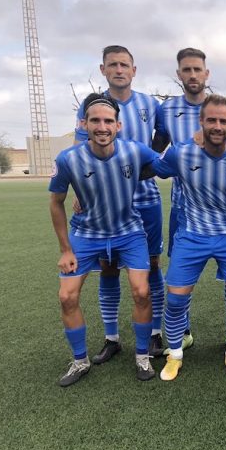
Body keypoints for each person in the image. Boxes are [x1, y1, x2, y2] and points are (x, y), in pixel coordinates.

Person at [50, 93, 159, 386]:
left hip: (129, 232)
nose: (102, 127)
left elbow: (166, 163)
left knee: (141, 292)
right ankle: (80, 361)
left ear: (118, 125)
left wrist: (195, 145)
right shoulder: (68, 159)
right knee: (67, 296)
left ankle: (142, 356)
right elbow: (56, 202)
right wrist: (65, 249)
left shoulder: (134, 151)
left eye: (108, 121)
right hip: (86, 234)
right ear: (84, 124)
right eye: (95, 120)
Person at [151, 95, 226, 381]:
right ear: (201, 122)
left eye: (223, 121)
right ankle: (175, 355)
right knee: (175, 300)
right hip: (192, 233)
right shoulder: (181, 153)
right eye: (212, 120)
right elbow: (152, 166)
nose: (217, 126)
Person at [73, 46, 167, 362]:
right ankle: (111, 338)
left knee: (152, 265)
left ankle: (154, 334)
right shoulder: (93, 105)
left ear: (133, 70)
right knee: (108, 267)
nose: (118, 70)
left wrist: (143, 167)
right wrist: (80, 190)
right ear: (103, 69)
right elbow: (79, 149)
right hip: (105, 202)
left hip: (145, 198)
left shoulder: (149, 104)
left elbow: (162, 138)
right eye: (112, 65)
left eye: (124, 65)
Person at [154, 48, 226, 354]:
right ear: (179, 74)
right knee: (182, 276)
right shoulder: (167, 110)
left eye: (197, 69)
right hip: (184, 208)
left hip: (223, 210)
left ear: (207, 73)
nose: (193, 75)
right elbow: (157, 150)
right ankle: (183, 332)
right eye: (187, 69)